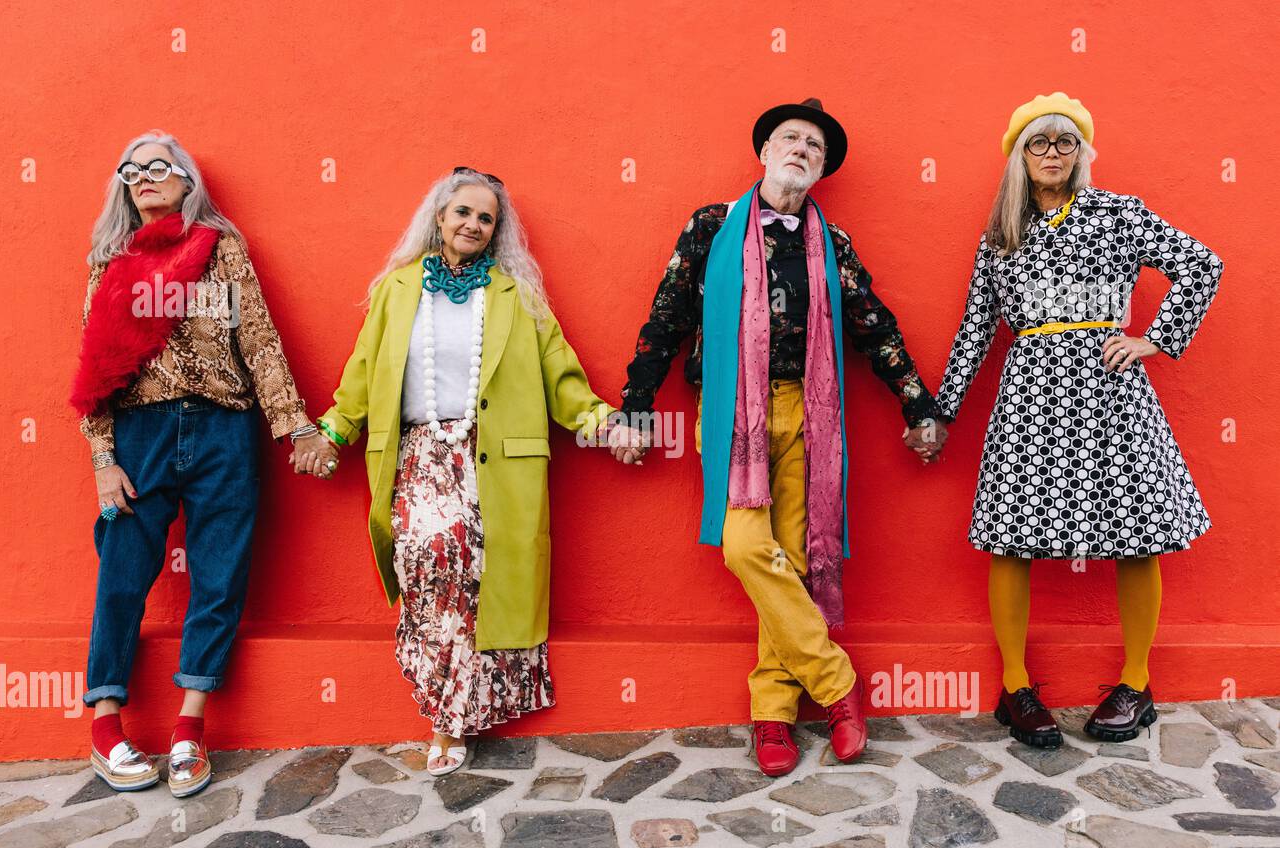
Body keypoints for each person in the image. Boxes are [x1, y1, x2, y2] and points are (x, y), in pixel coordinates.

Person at [608, 99, 947, 777]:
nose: (801, 149)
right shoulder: (713, 227)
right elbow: (668, 312)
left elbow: (873, 324)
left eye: (814, 146)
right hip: (734, 408)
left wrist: (919, 404)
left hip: (809, 410)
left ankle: (772, 714)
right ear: (765, 151)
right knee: (745, 545)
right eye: (791, 138)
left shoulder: (832, 243)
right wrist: (636, 404)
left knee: (789, 557)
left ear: (820, 170)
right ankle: (836, 683)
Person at [933, 93, 1224, 747]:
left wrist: (1156, 338)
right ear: (1019, 156)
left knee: (1137, 531)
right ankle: (1014, 687)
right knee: (1013, 534)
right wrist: (940, 409)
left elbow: (1203, 264)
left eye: (1066, 141)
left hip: (1112, 387)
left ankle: (1137, 682)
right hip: (1031, 394)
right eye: (1039, 142)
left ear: (1082, 151)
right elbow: (977, 327)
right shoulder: (1000, 233)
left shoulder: (1118, 213)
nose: (1053, 153)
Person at [305, 167, 616, 776]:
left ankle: (450, 719)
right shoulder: (397, 290)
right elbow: (363, 371)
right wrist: (332, 432)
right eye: (463, 213)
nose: (473, 224)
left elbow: (563, 377)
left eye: (486, 218)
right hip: (420, 458)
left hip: (491, 459)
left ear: (496, 233)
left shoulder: (515, 295)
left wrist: (604, 424)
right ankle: (446, 701)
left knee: (476, 577)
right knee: (428, 558)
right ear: (439, 218)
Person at [72, 130, 326, 796]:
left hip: (224, 430)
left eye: (162, 166)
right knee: (123, 570)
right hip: (141, 433)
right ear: (124, 186)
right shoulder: (110, 258)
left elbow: (261, 342)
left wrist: (294, 425)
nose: (147, 177)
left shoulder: (221, 248)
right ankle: (106, 722)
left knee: (218, 575)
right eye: (133, 170)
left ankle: (190, 727)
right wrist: (103, 456)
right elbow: (93, 365)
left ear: (187, 181)